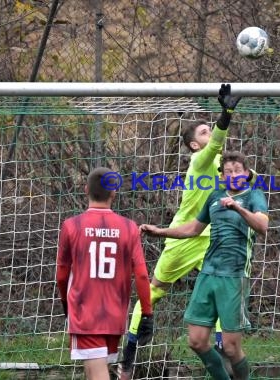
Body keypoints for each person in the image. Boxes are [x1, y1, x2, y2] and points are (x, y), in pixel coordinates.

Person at [118, 84, 245, 378]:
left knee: (217, 294)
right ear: (194, 145)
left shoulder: (222, 165)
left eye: (208, 131)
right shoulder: (199, 162)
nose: (209, 136)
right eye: (203, 133)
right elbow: (215, 144)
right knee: (154, 292)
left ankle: (222, 359)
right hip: (183, 238)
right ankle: (129, 354)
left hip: (210, 241)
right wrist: (225, 114)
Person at [140, 151, 268, 380]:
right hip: (208, 274)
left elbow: (262, 226)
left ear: (246, 174)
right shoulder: (214, 197)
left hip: (234, 277)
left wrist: (237, 208)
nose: (232, 175)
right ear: (222, 176)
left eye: (237, 170)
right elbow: (193, 229)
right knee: (196, 341)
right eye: (228, 171)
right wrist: (160, 232)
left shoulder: (254, 196)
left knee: (230, 347)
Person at [56, 167, 154, 380]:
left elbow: (62, 274)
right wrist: (147, 311)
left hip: (85, 311)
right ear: (113, 193)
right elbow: (142, 274)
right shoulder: (129, 227)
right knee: (94, 370)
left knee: (97, 372)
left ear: (85, 190)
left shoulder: (72, 226)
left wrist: (66, 303)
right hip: (115, 312)